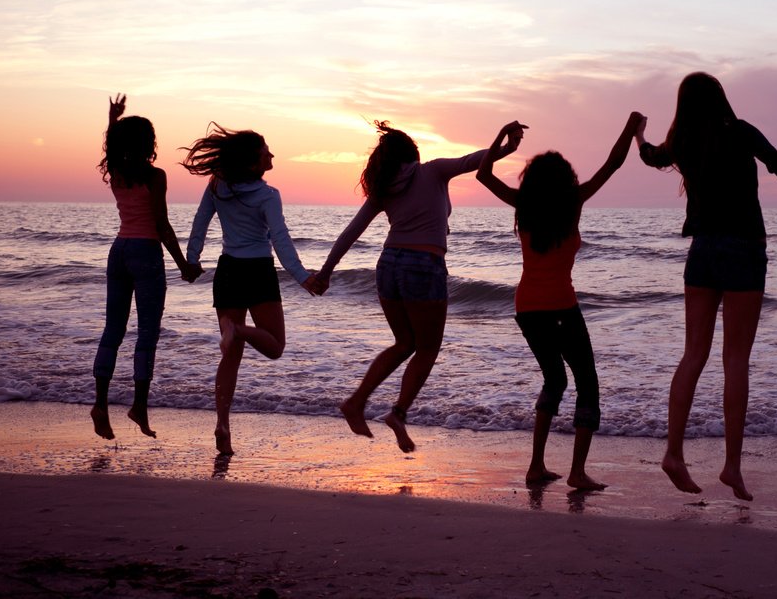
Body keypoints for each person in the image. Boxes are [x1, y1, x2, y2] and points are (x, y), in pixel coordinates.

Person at [636, 73, 777, 501]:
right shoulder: (740, 130)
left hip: (703, 250)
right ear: (720, 98)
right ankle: (731, 466)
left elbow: (651, 157)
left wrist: (638, 134)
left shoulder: (683, 140)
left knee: (694, 353)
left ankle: (673, 453)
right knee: (736, 359)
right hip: (744, 248)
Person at [307, 121, 521, 453]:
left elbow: (352, 230)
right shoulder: (433, 171)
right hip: (424, 266)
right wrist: (505, 147)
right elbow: (473, 160)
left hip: (388, 266)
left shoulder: (385, 188)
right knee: (427, 348)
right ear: (414, 154)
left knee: (405, 342)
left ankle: (356, 402)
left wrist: (326, 271)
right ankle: (397, 413)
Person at [475, 112, 644, 490]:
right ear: (565, 179)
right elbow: (612, 165)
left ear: (532, 179)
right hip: (561, 307)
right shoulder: (573, 202)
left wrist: (502, 138)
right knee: (586, 382)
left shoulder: (524, 204)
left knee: (554, 379)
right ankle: (577, 472)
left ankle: (537, 466)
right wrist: (630, 126)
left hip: (527, 308)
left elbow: (483, 175)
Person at [182, 124, 314, 456]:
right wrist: (302, 277)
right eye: (265, 151)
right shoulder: (269, 196)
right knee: (276, 347)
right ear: (254, 163)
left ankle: (223, 424)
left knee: (231, 356)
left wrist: (192, 259)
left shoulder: (218, 186)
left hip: (227, 271)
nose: (271, 154)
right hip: (257, 272)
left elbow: (200, 221)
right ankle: (238, 329)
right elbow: (280, 239)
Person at [91, 94, 198, 441]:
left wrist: (111, 119)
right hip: (145, 253)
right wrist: (183, 265)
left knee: (113, 331)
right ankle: (139, 406)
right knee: (147, 334)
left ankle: (101, 405)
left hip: (118, 251)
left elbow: (110, 148)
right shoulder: (155, 176)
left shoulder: (118, 171)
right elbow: (162, 224)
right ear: (149, 143)